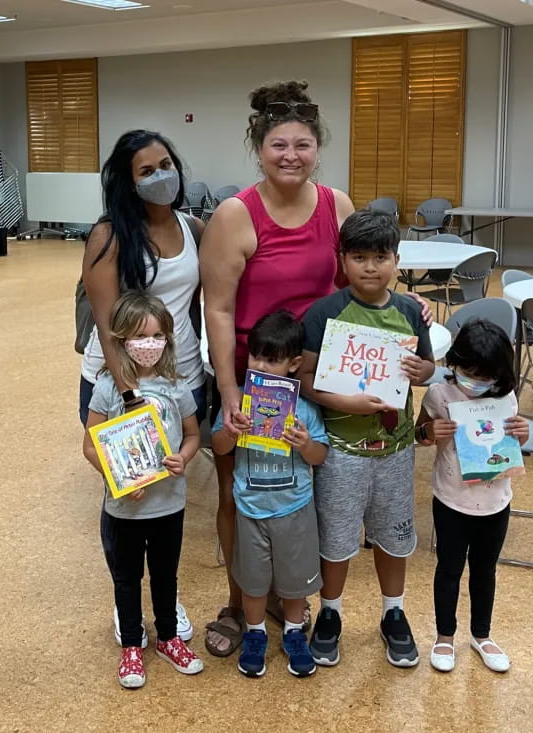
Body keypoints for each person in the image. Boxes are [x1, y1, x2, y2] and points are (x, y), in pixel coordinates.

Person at [200, 80, 355, 657]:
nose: (291, 155)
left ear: (319, 148)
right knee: (237, 490)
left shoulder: (338, 206)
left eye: (304, 145)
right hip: (250, 371)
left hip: (310, 375)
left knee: (302, 484)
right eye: (279, 145)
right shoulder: (235, 216)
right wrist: (230, 389)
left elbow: (349, 286)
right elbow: (216, 308)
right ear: (259, 148)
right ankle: (240, 601)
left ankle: (293, 596)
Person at [298, 209, 435, 668]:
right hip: (342, 451)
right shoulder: (324, 313)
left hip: (395, 451)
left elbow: (428, 368)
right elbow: (306, 381)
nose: (370, 267)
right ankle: (330, 612)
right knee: (336, 539)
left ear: (397, 260)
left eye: (381, 257)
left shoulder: (412, 311)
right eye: (359, 257)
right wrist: (346, 404)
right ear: (342, 261)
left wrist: (424, 370)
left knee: (394, 536)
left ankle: (393, 611)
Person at [81, 130, 202, 647]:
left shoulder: (193, 225)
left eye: (166, 164)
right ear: (127, 183)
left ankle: (165, 604)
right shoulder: (109, 235)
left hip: (182, 370)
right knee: (126, 489)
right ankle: (125, 602)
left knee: (167, 494)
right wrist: (130, 394)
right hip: (122, 375)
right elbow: (108, 322)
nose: (161, 176)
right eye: (146, 171)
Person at [83, 292, 204, 688]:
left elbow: (191, 436)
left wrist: (183, 459)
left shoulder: (177, 387)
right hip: (125, 509)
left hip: (169, 504)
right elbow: (90, 445)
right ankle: (132, 646)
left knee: (166, 574)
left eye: (156, 335)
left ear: (168, 339)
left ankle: (169, 637)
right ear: (120, 340)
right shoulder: (107, 388)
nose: (148, 344)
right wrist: (118, 477)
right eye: (138, 336)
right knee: (127, 577)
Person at [211, 310, 329, 678]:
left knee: (295, 582)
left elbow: (320, 455)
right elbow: (217, 446)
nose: (260, 366)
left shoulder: (304, 410)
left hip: (294, 508)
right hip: (250, 510)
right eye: (255, 356)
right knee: (253, 580)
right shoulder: (240, 402)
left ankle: (294, 632)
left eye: (272, 360)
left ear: (294, 364)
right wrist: (230, 432)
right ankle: (256, 633)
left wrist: (305, 444)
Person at [414, 319, 529, 673]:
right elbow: (418, 435)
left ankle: (482, 634)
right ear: (454, 363)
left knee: (485, 569)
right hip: (451, 500)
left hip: (497, 501)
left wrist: (522, 434)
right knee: (449, 568)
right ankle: (444, 637)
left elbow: (511, 441)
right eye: (469, 373)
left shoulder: (505, 396)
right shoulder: (439, 394)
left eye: (486, 376)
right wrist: (430, 430)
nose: (477, 383)